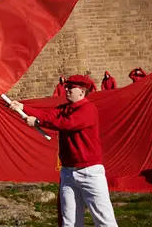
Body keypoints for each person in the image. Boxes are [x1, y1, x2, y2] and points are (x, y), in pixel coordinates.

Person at [10, 75, 118, 227]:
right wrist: (22, 107)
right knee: (69, 221)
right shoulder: (64, 109)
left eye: (70, 87)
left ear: (81, 91)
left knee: (104, 219)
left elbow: (68, 124)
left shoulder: (88, 109)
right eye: (66, 87)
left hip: (90, 172)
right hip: (68, 171)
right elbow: (47, 115)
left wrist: (38, 122)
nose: (66, 89)